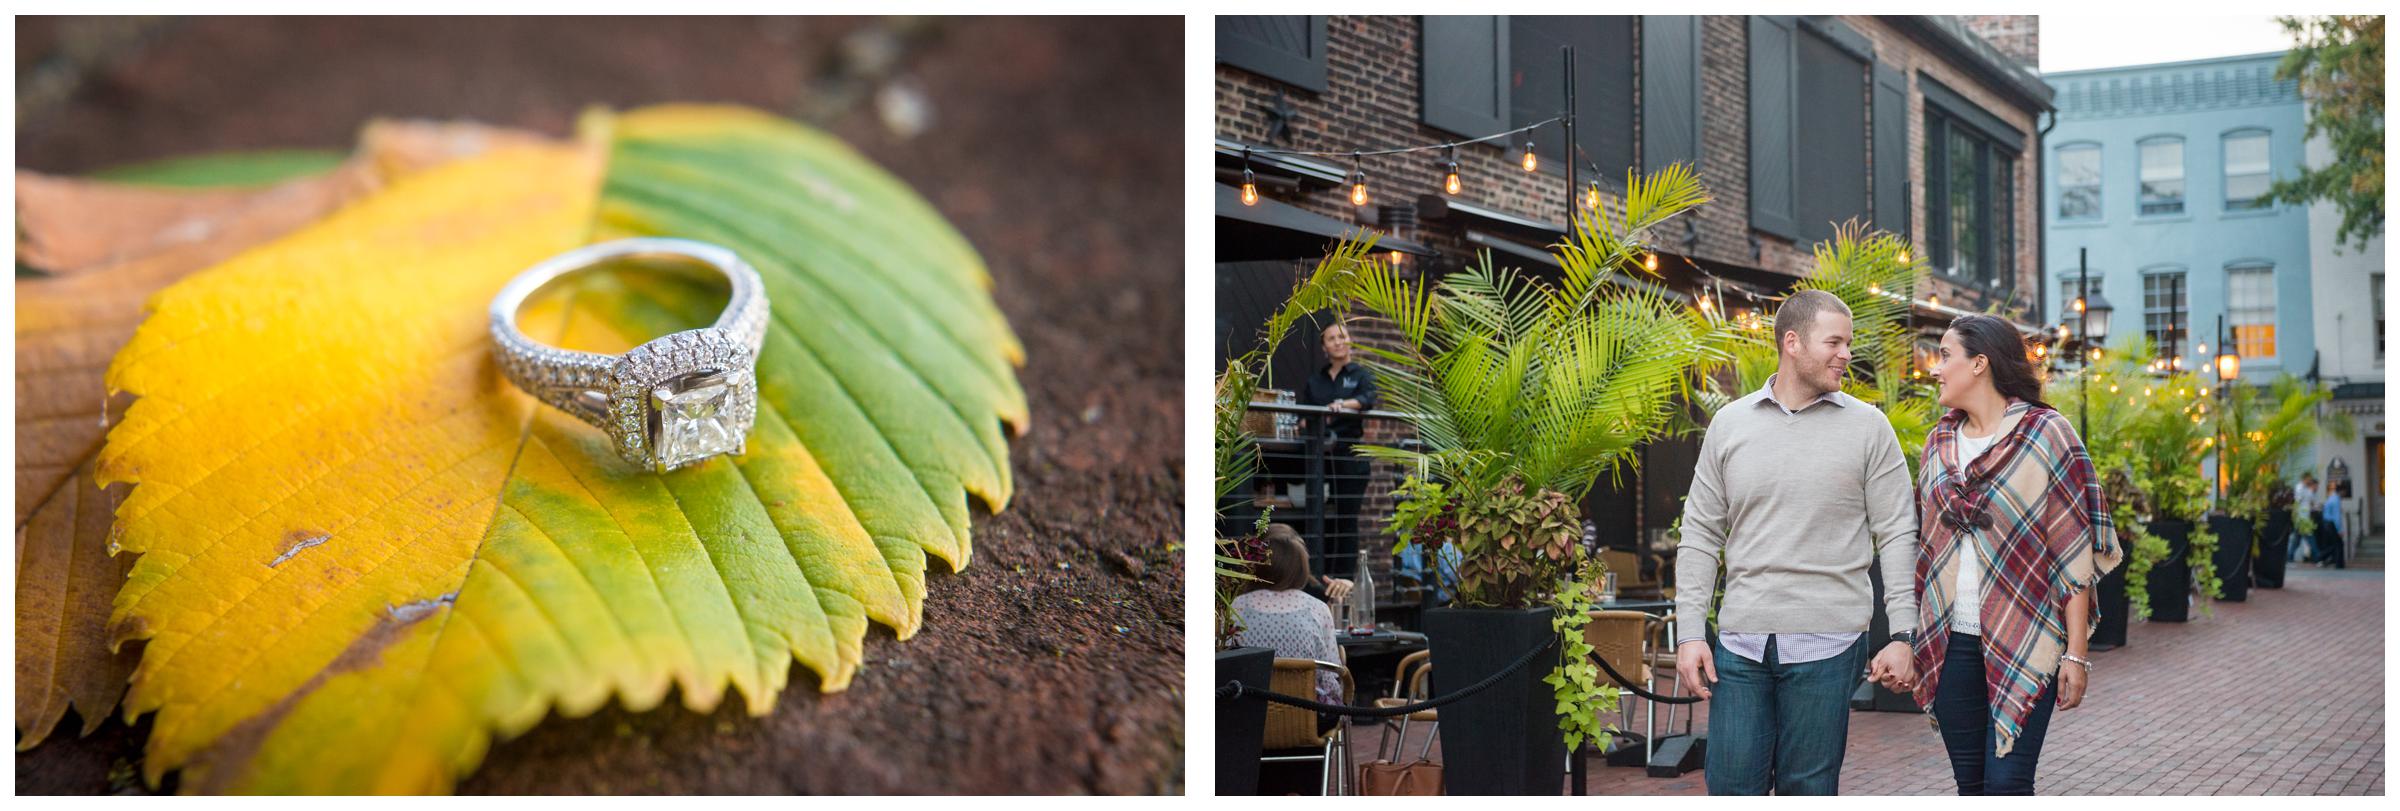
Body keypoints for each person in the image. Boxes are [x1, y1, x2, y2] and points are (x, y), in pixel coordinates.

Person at [1673, 289, 1919, 795]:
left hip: (1830, 642)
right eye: (1834, 342)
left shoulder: (1868, 428)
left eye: (1848, 344)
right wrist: (1690, 632)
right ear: (1792, 343)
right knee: (1731, 787)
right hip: (1740, 643)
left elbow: (1897, 531)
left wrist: (1902, 635)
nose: (1846, 355)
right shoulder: (1730, 424)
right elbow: (1699, 533)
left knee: (1807, 789)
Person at [1906, 314, 2123, 795]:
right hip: (1950, 641)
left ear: (1979, 363)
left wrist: (2077, 655)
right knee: (1972, 786)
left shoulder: (2048, 434)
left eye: (1944, 355)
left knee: (2007, 785)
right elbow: (1923, 547)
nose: (1934, 368)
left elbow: (2073, 554)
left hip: (2027, 635)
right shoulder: (1938, 442)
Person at [1232, 523, 1349, 732]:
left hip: (1249, 721)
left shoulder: (1237, 608)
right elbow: (1330, 679)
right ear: (1300, 565)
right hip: (1310, 720)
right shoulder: (1317, 609)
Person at [1298, 321, 1380, 579]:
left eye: (1341, 337)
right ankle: (1317, 577)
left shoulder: (1360, 375)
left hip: (1349, 455)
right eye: (1331, 338)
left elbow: (1367, 399)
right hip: (1319, 458)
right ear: (1324, 347)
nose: (1337, 341)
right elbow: (1305, 414)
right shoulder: (1315, 381)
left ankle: (1343, 579)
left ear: (1349, 341)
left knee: (1346, 519)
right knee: (1318, 518)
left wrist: (1342, 404)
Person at [2315, 481, 2349, 569]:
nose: (2345, 493)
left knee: (2334, 544)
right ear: (2341, 491)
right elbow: (2336, 517)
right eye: (2345, 491)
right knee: (2338, 544)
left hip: (2326, 522)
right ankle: (2337, 563)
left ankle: (2331, 560)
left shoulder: (2331, 497)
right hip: (2331, 524)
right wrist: (2339, 530)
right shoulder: (2336, 500)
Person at [2290, 472, 2320, 562]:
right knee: (2311, 539)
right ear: (2305, 478)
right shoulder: (2299, 488)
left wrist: (2316, 507)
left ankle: (2289, 557)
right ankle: (2318, 557)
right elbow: (2297, 502)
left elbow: (2311, 502)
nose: (2310, 480)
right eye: (2309, 479)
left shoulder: (2307, 489)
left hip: (2305, 517)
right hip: (2302, 519)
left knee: (2296, 541)